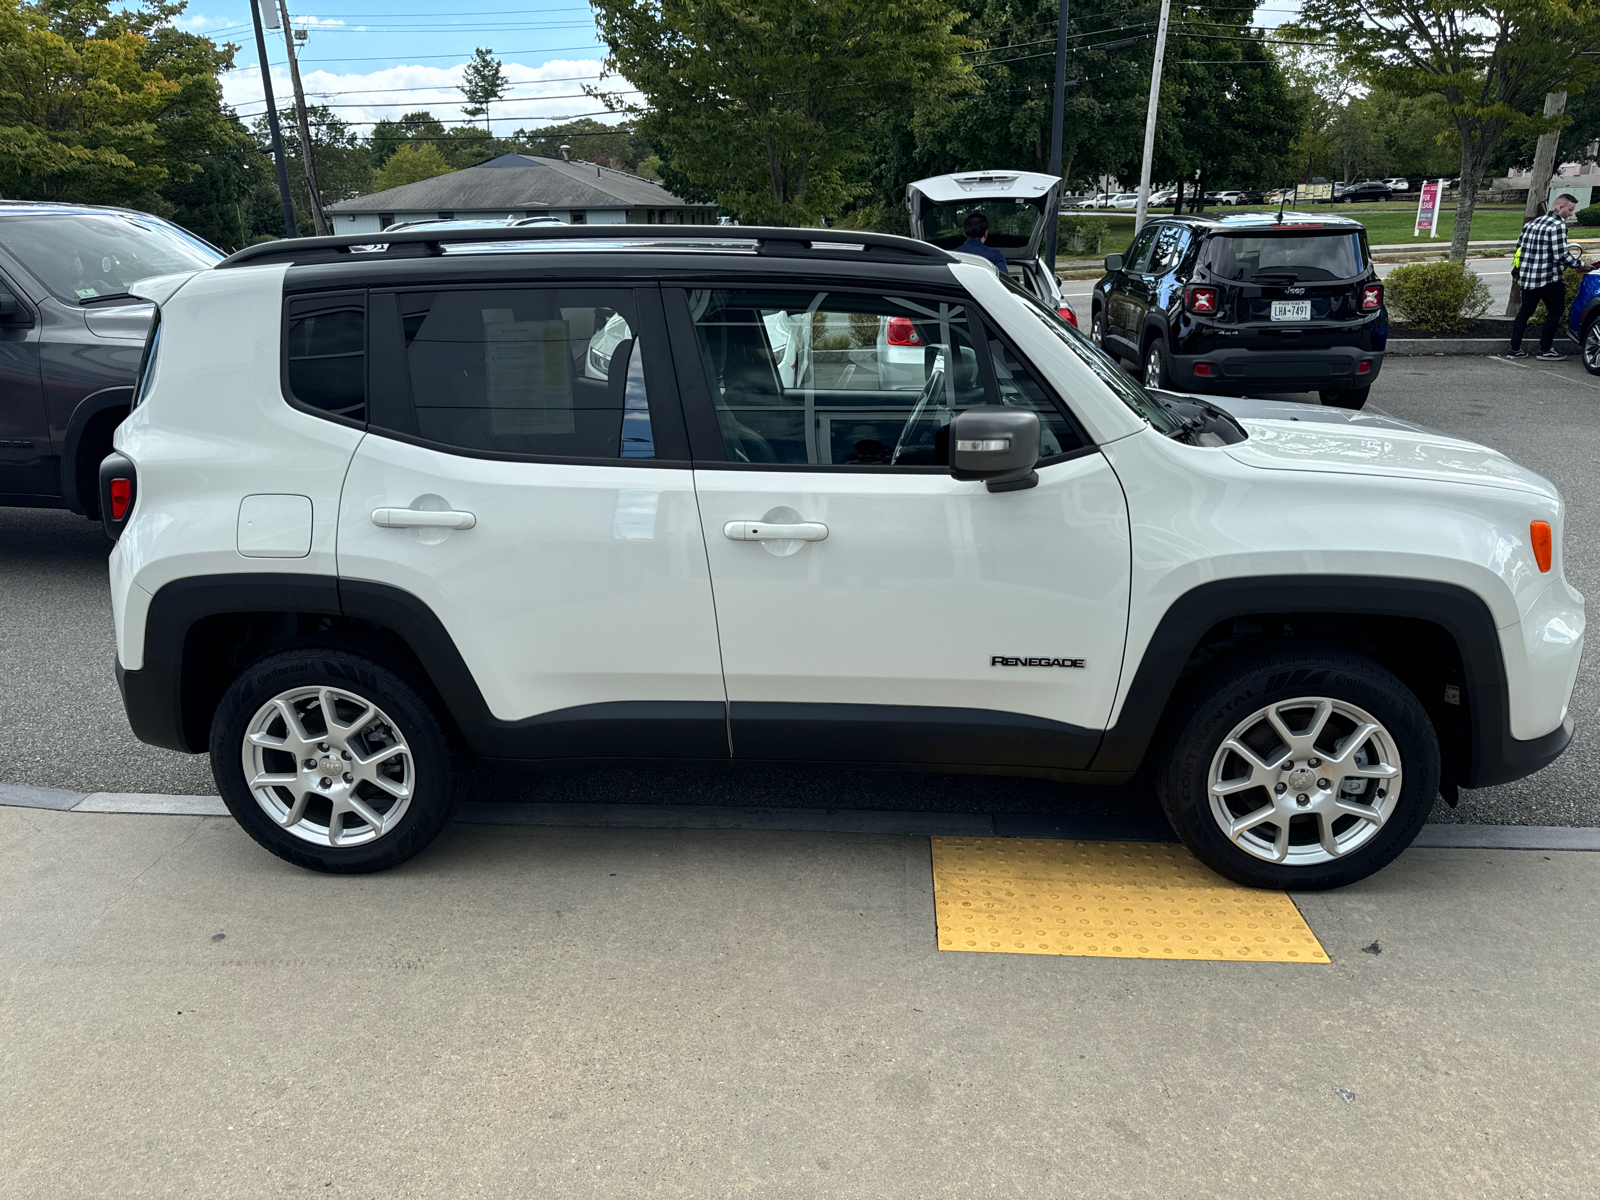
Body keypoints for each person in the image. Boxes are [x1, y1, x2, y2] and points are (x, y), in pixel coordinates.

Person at [1506, 192, 1584, 359]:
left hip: (1528, 278)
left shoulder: (1531, 224)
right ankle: (1545, 349)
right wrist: (1582, 265)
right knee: (1555, 312)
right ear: (1559, 207)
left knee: (1525, 312)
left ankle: (1515, 349)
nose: (1571, 214)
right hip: (1550, 278)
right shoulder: (1557, 226)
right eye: (1569, 210)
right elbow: (1561, 255)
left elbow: (1519, 250)